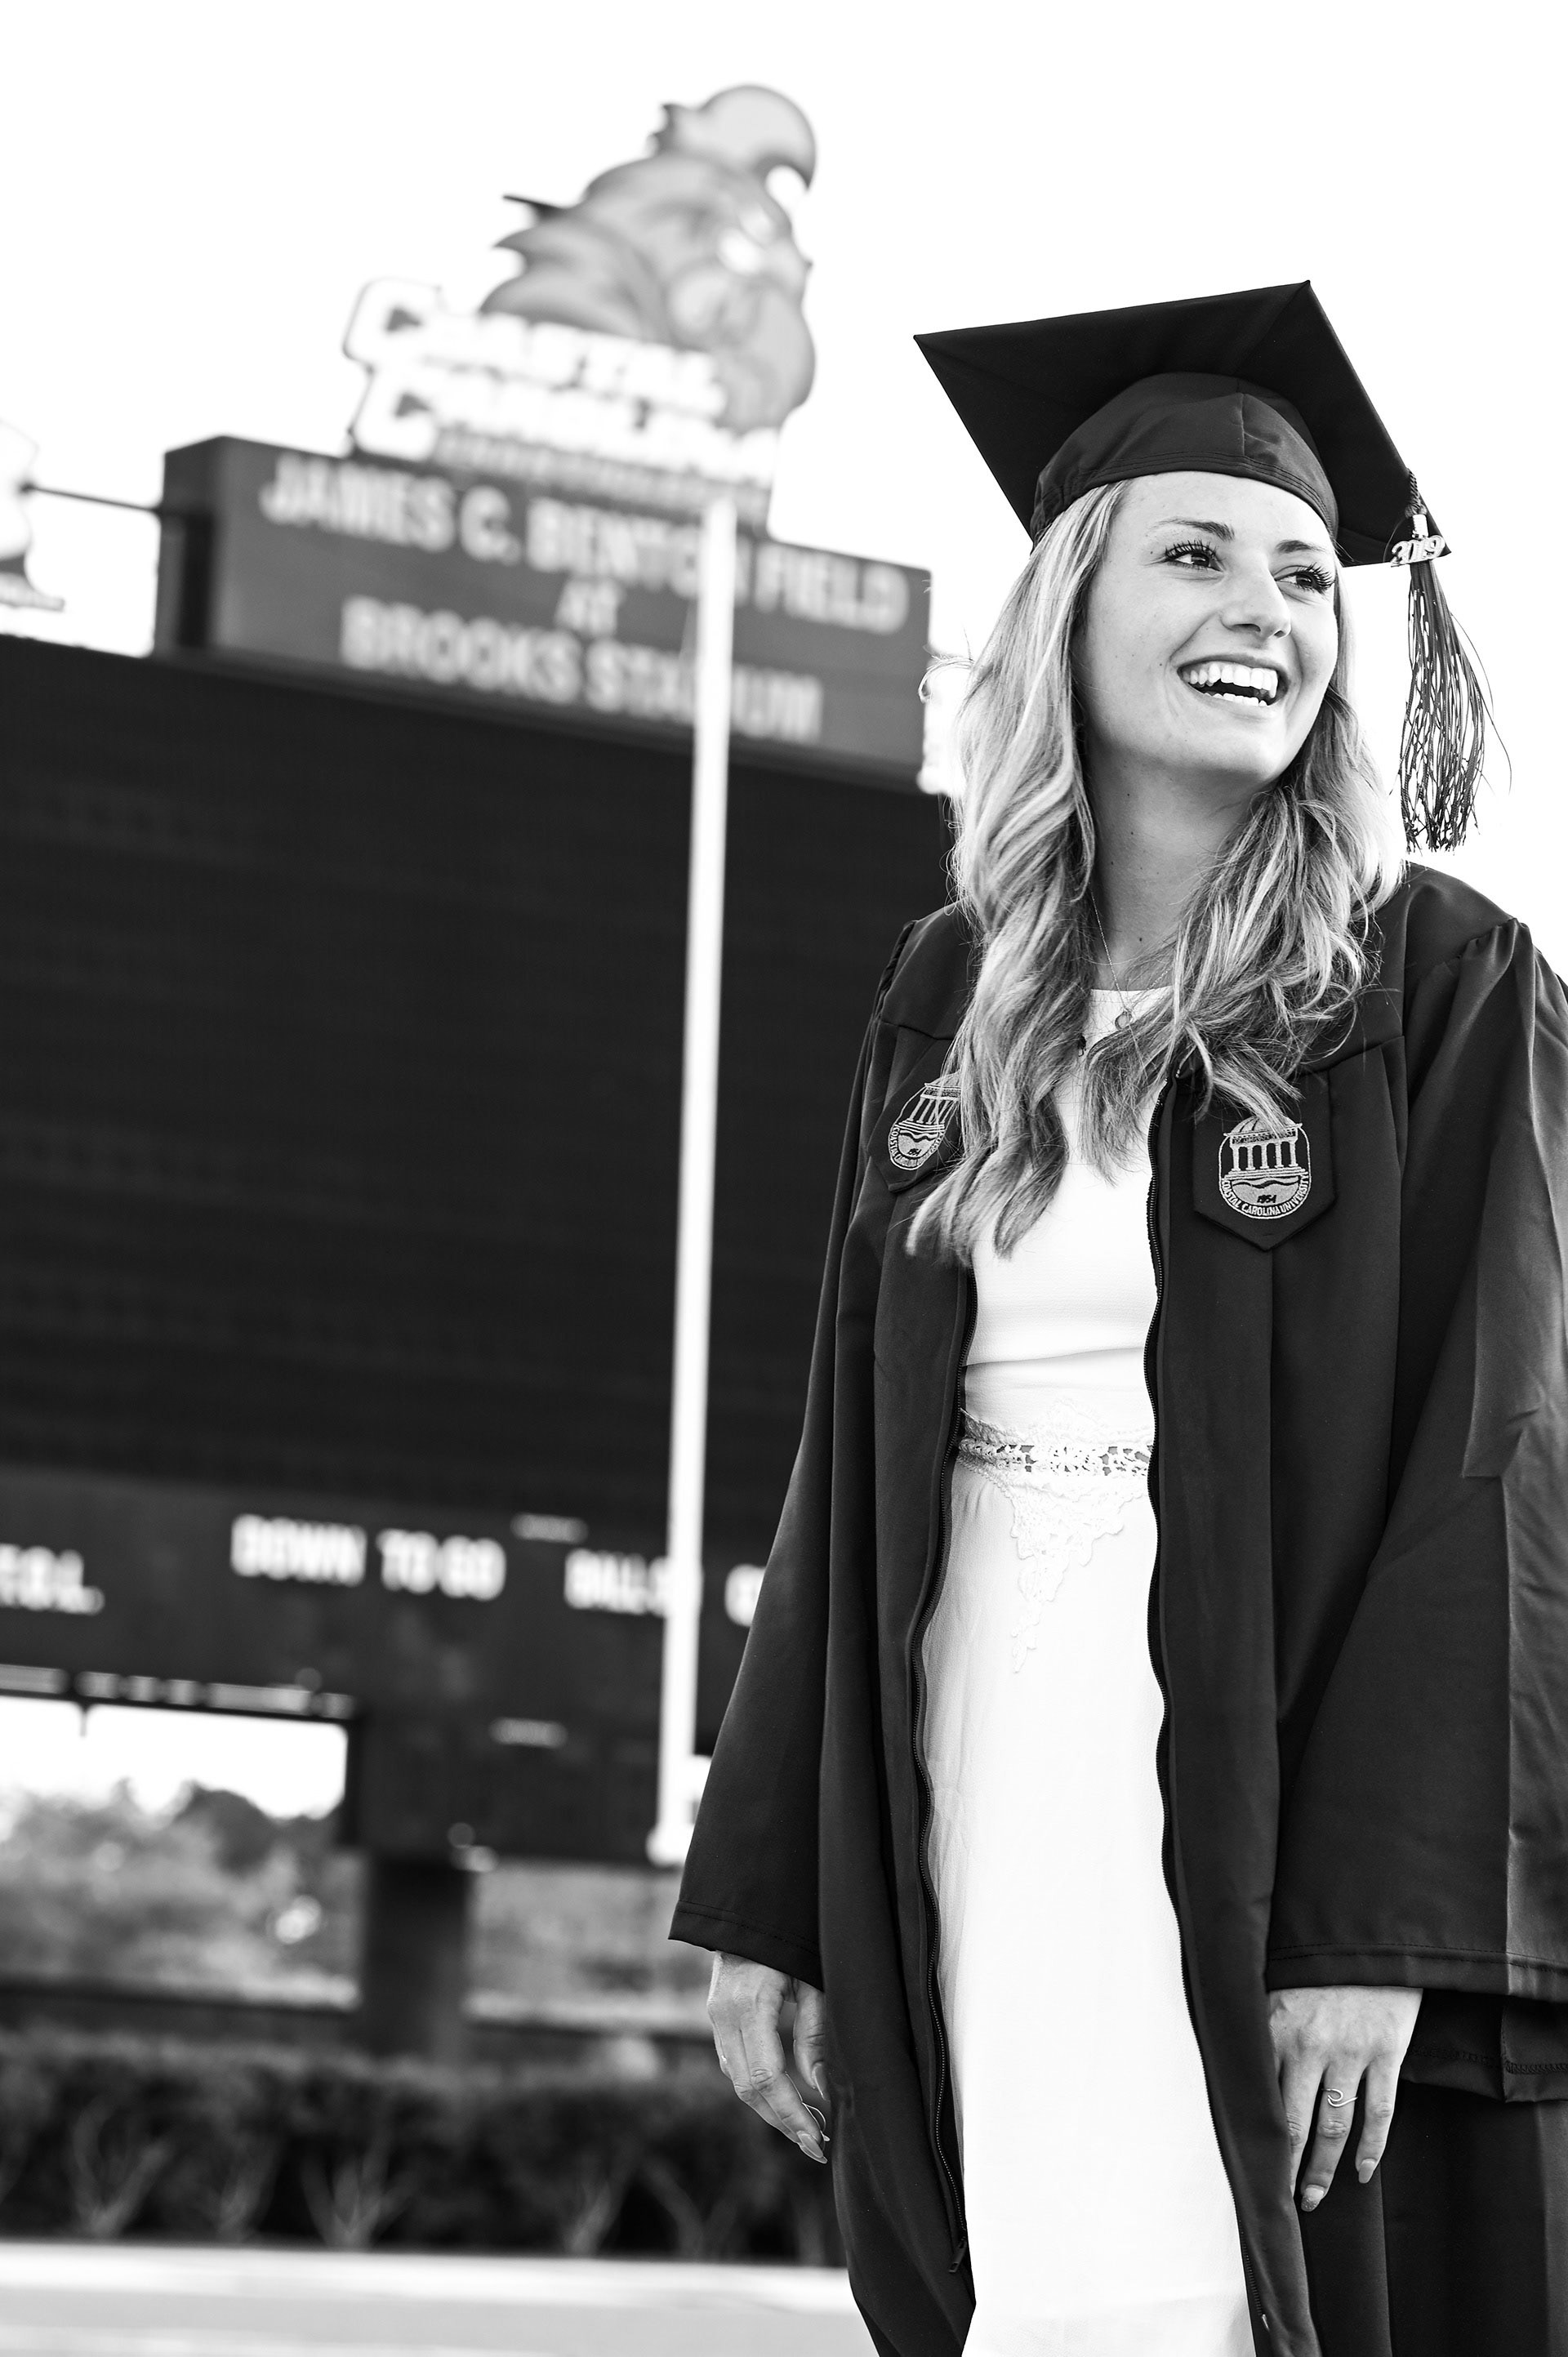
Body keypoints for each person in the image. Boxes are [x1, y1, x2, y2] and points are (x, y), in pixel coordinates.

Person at [670, 283, 1568, 2357]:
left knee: (1236, 2269)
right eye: (1193, 552)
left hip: (1263, 1770)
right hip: (986, 1725)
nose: (1265, 606)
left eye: (1302, 571)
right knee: (1047, 2287)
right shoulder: (953, 999)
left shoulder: (1433, 988)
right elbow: (849, 1441)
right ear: (1068, 605)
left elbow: (1503, 1459)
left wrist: (1383, 1903)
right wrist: (775, 1886)